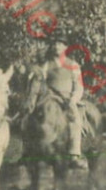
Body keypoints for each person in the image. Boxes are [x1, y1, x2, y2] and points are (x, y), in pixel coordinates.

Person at [34, 37, 87, 168]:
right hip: (50, 98)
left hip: (67, 99)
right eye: (55, 44)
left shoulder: (73, 65)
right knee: (31, 117)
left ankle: (74, 153)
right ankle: (28, 152)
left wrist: (73, 100)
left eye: (60, 44)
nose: (57, 46)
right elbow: (40, 83)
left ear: (65, 47)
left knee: (75, 120)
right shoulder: (46, 65)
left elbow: (79, 86)